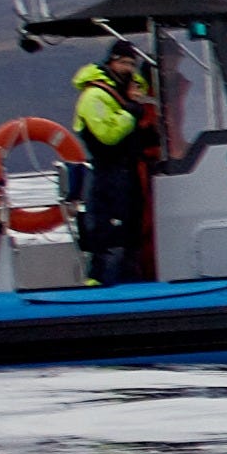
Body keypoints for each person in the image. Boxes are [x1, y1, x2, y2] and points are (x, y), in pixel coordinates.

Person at [68, 39, 164, 284]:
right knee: (108, 237)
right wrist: (131, 111)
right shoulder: (94, 97)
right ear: (111, 62)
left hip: (128, 174)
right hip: (107, 175)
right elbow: (107, 136)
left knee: (132, 234)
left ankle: (133, 282)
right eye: (123, 63)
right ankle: (100, 287)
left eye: (131, 63)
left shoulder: (128, 95)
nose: (127, 68)